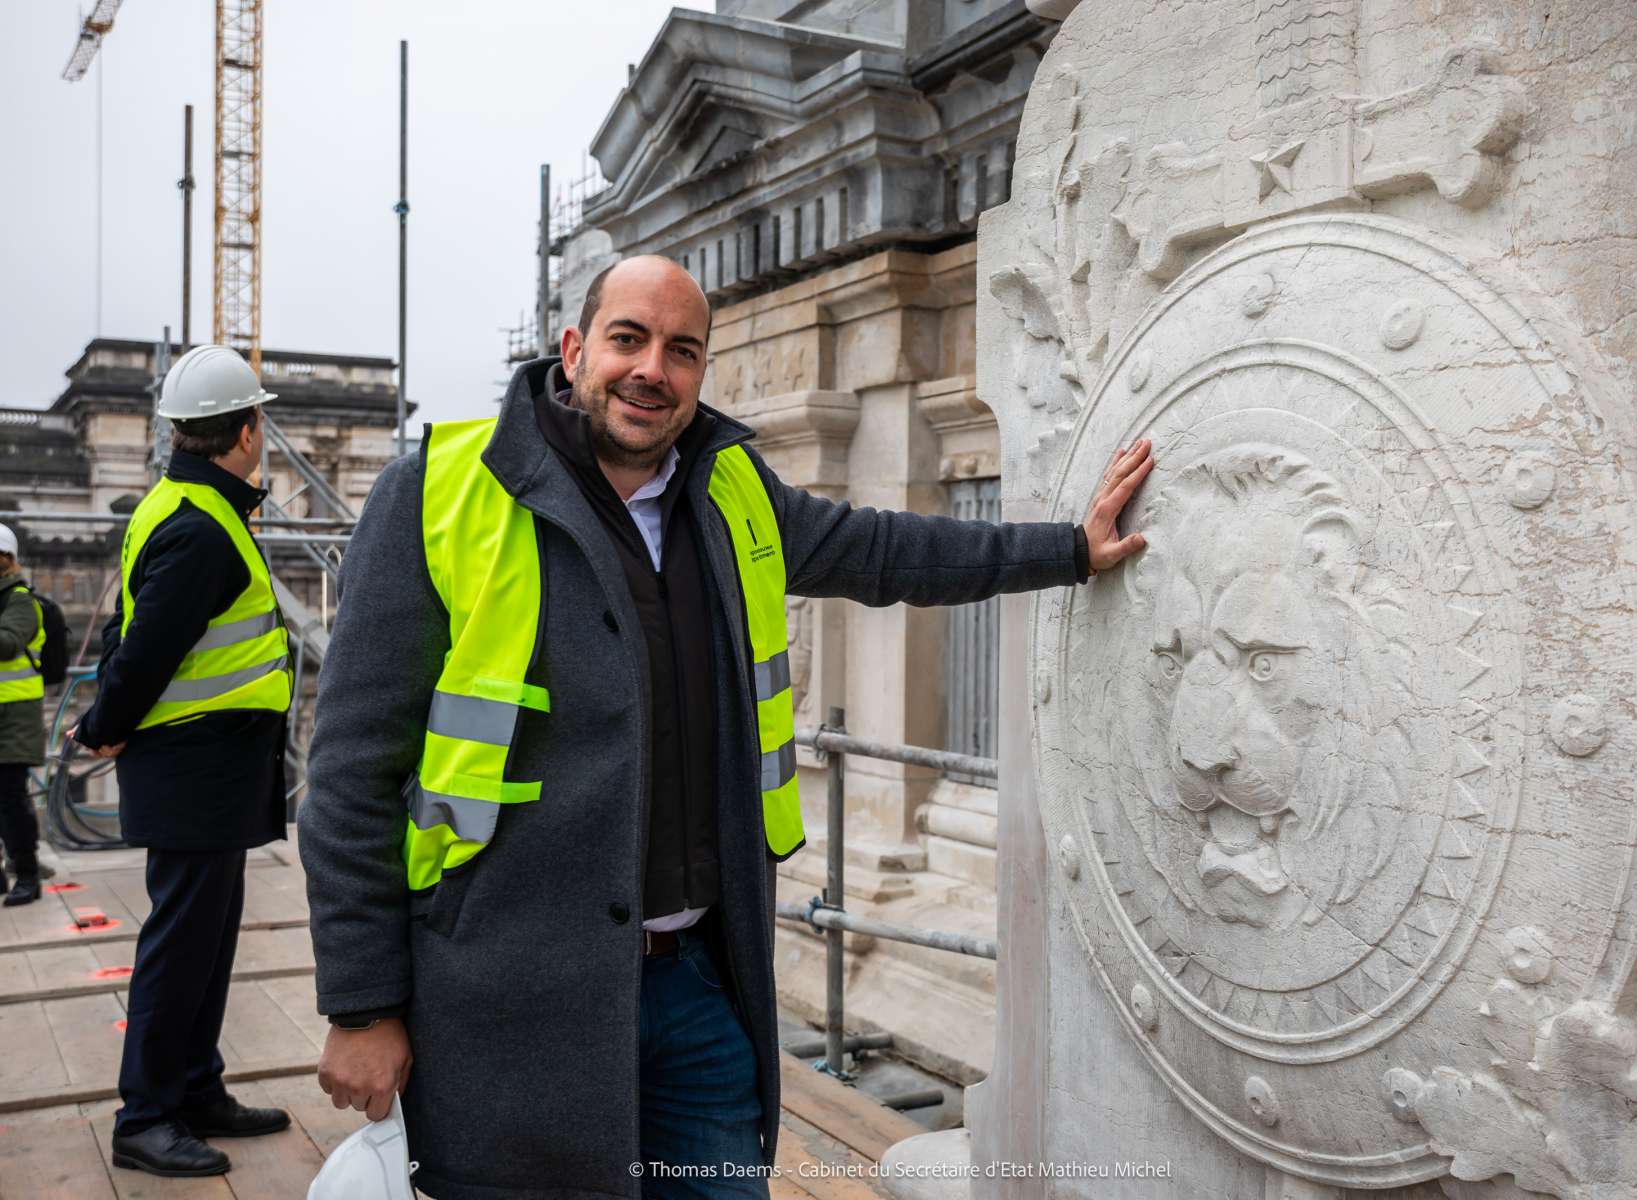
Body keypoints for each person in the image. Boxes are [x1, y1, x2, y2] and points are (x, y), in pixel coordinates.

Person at [300, 255, 1154, 1200]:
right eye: (628, 339)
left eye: (682, 350)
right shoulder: (440, 494)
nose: (651, 370)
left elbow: (885, 551)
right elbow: (348, 774)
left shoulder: (726, 490)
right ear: (575, 349)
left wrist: (1069, 549)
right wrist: (363, 1003)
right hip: (514, 1006)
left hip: (698, 991)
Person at [73, 345, 296, 1179]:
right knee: (181, 943)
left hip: (214, 765)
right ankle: (147, 1116)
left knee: (206, 939)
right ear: (245, 430)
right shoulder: (203, 527)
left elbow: (132, 632)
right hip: (195, 764)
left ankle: (196, 1089)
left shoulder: (178, 504)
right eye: (260, 422)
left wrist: (108, 716)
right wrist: (103, 725)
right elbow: (148, 650)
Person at [0, 523, 47, 907]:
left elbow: (8, 644)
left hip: (16, 714)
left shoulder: (20, 600)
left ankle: (27, 874)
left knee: (11, 796)